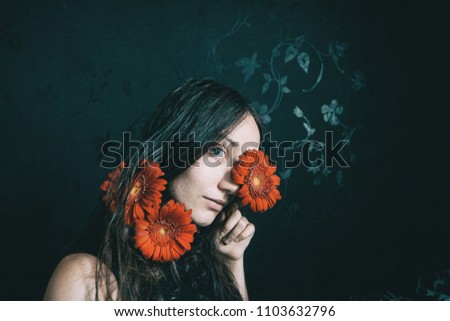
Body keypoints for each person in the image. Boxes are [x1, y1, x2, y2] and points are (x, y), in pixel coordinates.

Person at [44, 79, 263, 300]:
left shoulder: (212, 261)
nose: (234, 184)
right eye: (216, 151)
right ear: (172, 144)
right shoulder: (87, 280)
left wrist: (231, 264)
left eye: (244, 166)